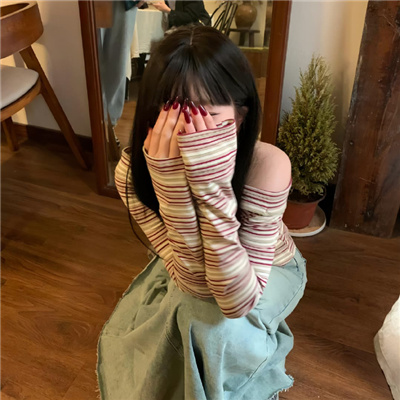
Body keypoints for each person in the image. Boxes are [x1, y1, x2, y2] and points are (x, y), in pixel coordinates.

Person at [97, 25, 307, 400]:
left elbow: (236, 301)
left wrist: (211, 186)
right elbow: (196, 284)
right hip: (189, 262)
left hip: (267, 269)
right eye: (171, 117)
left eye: (205, 116)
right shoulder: (131, 173)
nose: (186, 132)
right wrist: (172, 188)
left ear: (239, 117)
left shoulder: (267, 165)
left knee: (209, 325)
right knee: (191, 312)